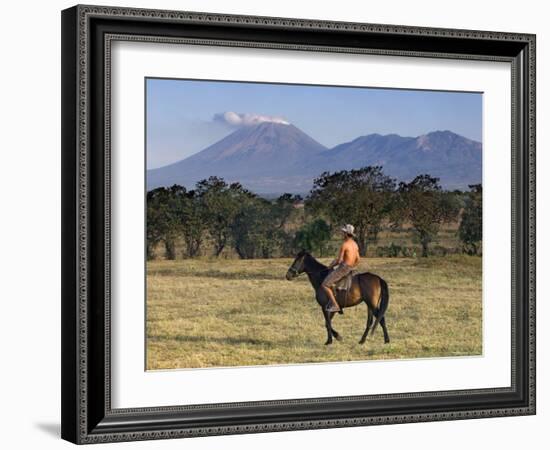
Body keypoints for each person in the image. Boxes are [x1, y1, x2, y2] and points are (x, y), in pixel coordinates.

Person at [321, 224, 360, 312]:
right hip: (350, 268)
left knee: (325, 285)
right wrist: (352, 266)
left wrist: (330, 266)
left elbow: (339, 260)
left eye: (343, 232)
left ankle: (335, 305)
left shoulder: (345, 244)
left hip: (343, 268)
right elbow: (358, 259)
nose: (342, 234)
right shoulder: (355, 244)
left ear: (346, 234)